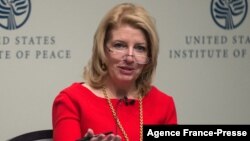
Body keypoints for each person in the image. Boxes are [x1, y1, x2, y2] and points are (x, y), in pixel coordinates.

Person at [52, 2, 177, 141]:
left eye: (140, 48)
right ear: (103, 50)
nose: (130, 58)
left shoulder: (164, 104)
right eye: (119, 45)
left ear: (149, 55)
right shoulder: (72, 100)